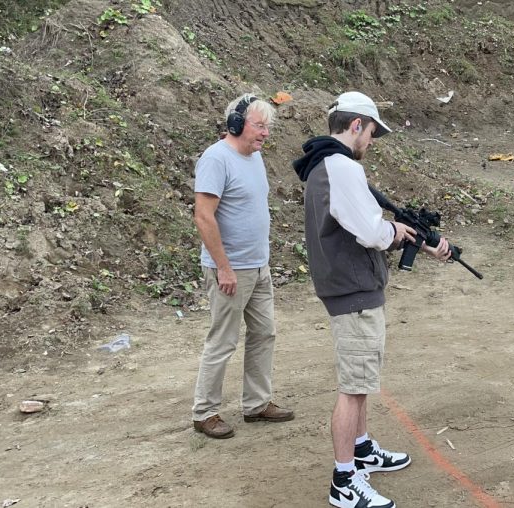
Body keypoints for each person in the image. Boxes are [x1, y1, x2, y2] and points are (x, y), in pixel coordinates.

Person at [293, 91, 451, 508]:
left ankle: (361, 449)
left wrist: (396, 232)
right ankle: (345, 479)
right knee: (353, 386)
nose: (372, 141)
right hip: (353, 290)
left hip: (348, 285)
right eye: (372, 132)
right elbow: (369, 231)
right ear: (356, 125)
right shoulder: (342, 167)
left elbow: (356, 224)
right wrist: (394, 233)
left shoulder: (323, 165)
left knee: (360, 384)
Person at [191, 93, 294, 439]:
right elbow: (204, 216)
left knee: (264, 333)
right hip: (230, 270)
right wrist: (223, 267)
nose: (265, 133)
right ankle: (204, 412)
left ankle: (257, 403)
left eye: (268, 127)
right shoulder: (216, 159)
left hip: (258, 266)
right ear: (236, 123)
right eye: (260, 125)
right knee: (222, 341)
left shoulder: (255, 158)